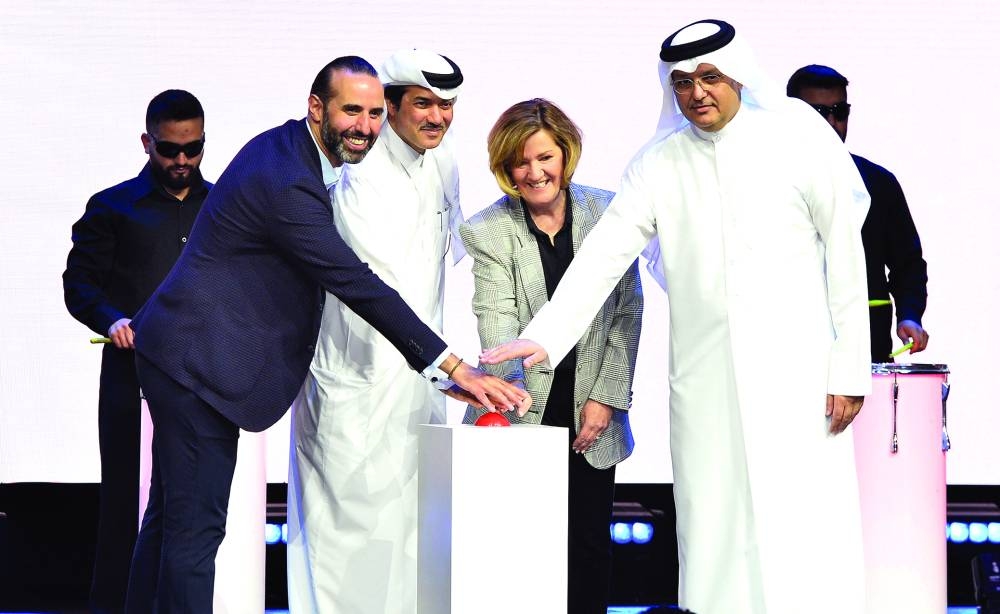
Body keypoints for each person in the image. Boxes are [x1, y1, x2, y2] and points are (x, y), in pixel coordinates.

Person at [480, 20, 871, 614]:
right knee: (714, 521)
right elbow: (602, 258)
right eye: (683, 82)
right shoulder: (658, 162)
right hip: (704, 376)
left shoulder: (798, 138)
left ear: (737, 73)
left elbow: (846, 255)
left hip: (798, 373)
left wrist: (849, 370)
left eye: (710, 77)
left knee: (803, 517)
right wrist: (543, 338)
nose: (697, 93)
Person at [124, 56, 529, 614]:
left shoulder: (293, 151)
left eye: (370, 112)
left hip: (186, 354)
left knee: (171, 521)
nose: (364, 125)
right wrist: (455, 368)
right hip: (196, 362)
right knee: (195, 535)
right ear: (317, 108)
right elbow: (357, 283)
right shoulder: (288, 182)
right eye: (350, 111)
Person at [286, 48, 467, 614]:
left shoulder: (446, 163)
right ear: (389, 106)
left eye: (447, 105)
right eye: (423, 104)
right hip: (354, 382)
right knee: (347, 542)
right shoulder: (352, 171)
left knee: (416, 538)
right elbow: (369, 286)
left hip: (422, 386)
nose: (437, 117)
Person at [460, 98, 643, 614]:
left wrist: (605, 399)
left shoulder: (609, 212)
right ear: (505, 166)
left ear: (566, 154)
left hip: (592, 412)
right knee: (517, 561)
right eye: (521, 161)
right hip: (517, 411)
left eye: (545, 157)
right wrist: (516, 418)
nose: (535, 172)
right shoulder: (488, 229)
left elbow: (627, 313)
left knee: (587, 551)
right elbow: (497, 329)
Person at [62, 89, 210, 614]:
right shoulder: (112, 207)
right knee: (125, 503)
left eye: (193, 149)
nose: (182, 162)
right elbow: (79, 285)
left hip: (201, 382)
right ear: (148, 143)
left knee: (187, 508)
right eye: (170, 150)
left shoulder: (219, 208)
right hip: (130, 376)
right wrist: (113, 319)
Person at [787, 64, 929, 362]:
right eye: (818, 113)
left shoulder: (878, 182)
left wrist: (910, 315)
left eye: (840, 111)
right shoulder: (766, 182)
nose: (831, 122)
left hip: (866, 347)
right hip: (790, 347)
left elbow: (908, 264)